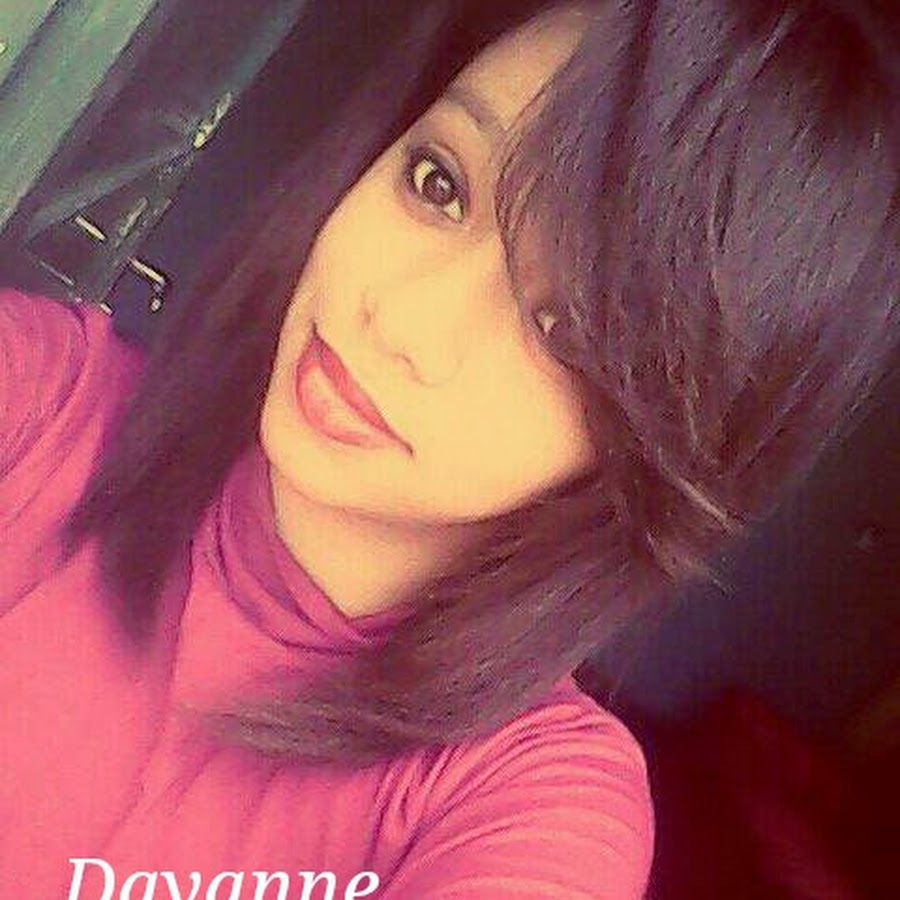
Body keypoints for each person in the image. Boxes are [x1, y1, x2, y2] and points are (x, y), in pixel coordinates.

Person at [0, 0, 897, 897]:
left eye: (565, 332)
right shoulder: (47, 399)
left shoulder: (527, 801)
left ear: (661, 446)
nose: (404, 320)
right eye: (439, 185)